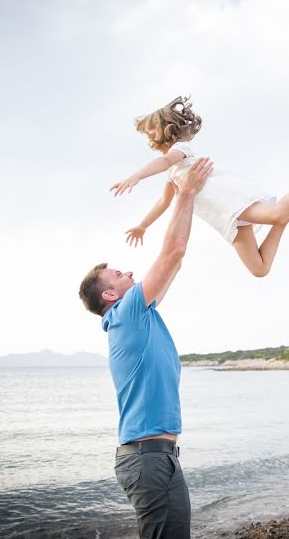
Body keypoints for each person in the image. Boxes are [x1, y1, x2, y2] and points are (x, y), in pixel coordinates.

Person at [79, 157, 213, 538]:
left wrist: (184, 199)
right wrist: (185, 192)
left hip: (155, 458)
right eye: (120, 275)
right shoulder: (126, 312)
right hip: (148, 459)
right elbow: (171, 254)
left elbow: (174, 263)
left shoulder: (137, 314)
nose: (130, 274)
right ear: (110, 294)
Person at [110, 96, 289, 277]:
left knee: (275, 214)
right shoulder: (173, 175)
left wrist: (136, 177)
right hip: (222, 215)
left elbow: (164, 162)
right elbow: (164, 202)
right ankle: (285, 221)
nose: (148, 138)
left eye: (150, 131)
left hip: (227, 199)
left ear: (166, 129)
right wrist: (142, 226)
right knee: (259, 269)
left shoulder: (180, 151)